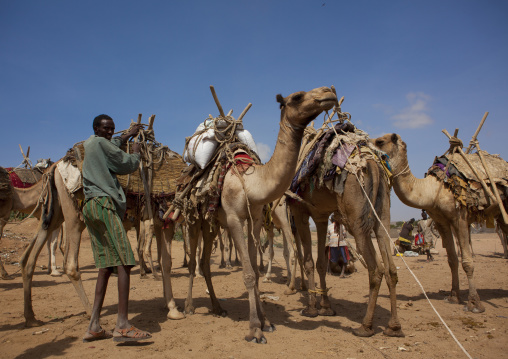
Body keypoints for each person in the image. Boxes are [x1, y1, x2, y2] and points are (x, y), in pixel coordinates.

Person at [81, 114, 151, 343]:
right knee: (125, 261)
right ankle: (122, 325)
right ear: (96, 129)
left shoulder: (90, 144)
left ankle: (94, 325)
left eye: (112, 129)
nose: (110, 132)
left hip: (90, 206)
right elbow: (126, 164)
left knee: (104, 265)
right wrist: (137, 151)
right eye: (106, 129)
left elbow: (110, 145)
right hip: (104, 204)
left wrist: (127, 135)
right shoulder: (101, 143)